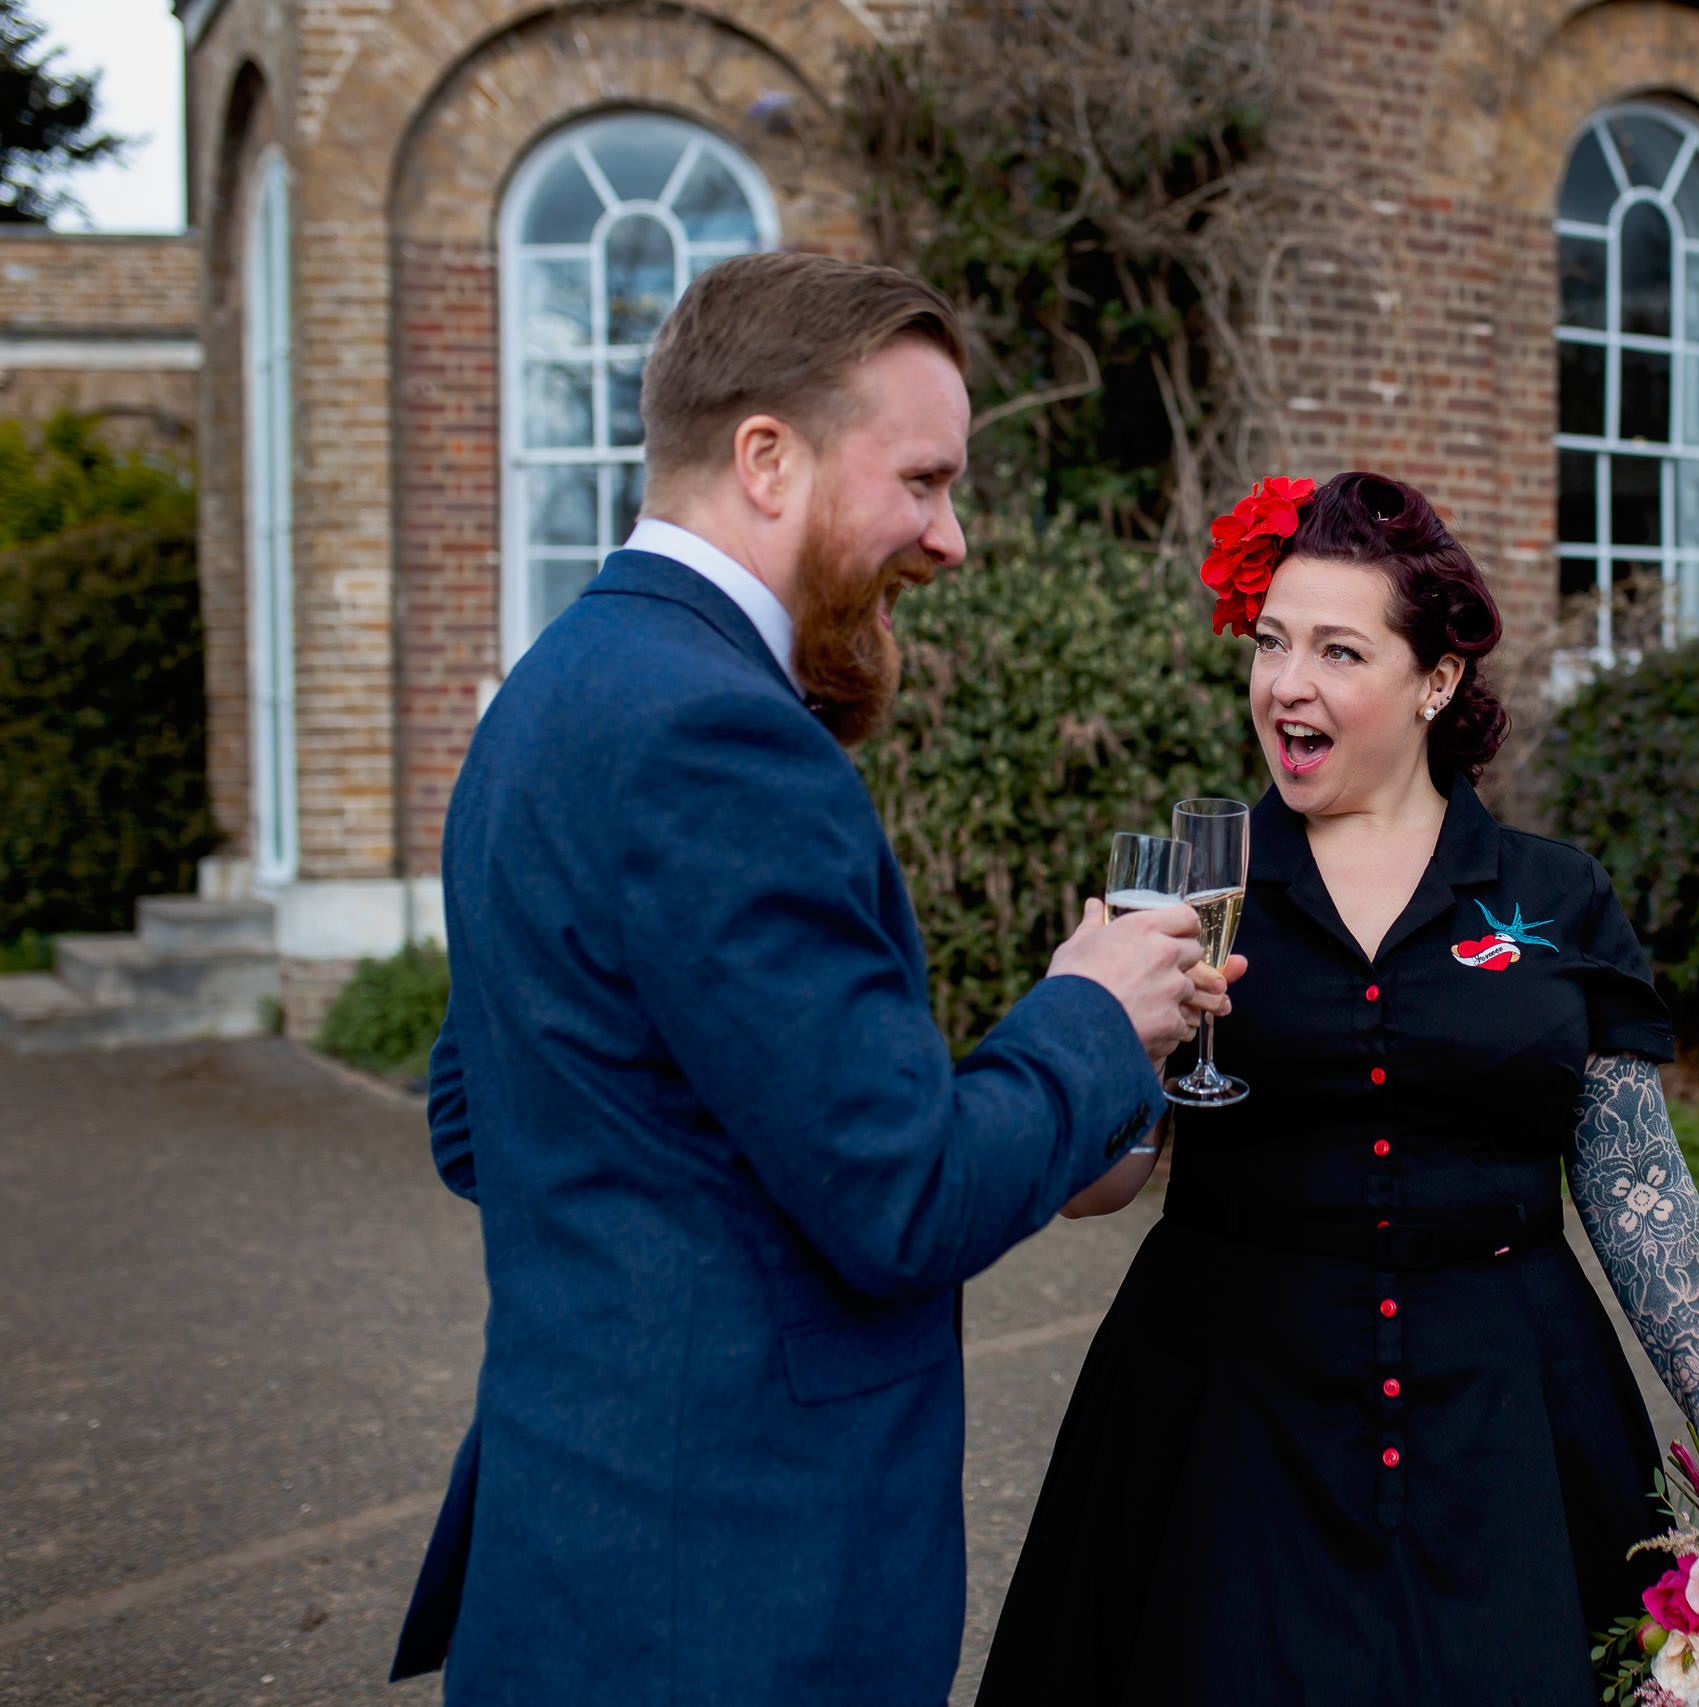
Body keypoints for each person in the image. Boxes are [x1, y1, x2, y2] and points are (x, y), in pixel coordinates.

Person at [390, 253, 1232, 1706]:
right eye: (923, 479)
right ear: (767, 458)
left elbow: (481, 1123)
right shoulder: (724, 737)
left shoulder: (549, 692)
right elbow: (903, 1201)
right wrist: (1093, 1011)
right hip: (727, 1590)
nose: (950, 537)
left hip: (573, 1544)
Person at [980, 472, 1699, 1704]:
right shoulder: (1194, 890)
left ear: (1435, 682)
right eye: (1270, 645)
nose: (1285, 685)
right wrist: (1104, 1039)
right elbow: (1101, 1187)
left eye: (1336, 650)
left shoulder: (1554, 894)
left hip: (1511, 1420)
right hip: (1222, 1415)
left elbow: (1633, 1179)